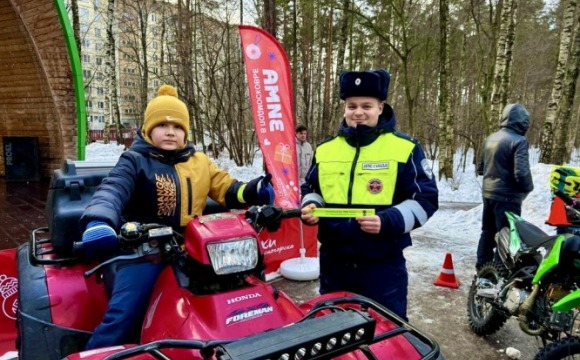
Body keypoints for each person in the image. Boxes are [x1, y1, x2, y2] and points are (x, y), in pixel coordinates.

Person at [79, 84, 274, 349]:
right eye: (162, 125)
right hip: (143, 252)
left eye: (178, 127)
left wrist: (255, 189)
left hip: (191, 251)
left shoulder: (200, 162)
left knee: (238, 295)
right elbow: (112, 190)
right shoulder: (134, 160)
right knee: (124, 316)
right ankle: (97, 352)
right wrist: (99, 221)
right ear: (148, 129)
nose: (171, 132)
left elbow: (228, 189)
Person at [300, 69, 438, 320]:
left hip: (383, 266)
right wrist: (311, 205)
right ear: (344, 108)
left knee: (388, 335)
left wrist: (389, 220)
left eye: (367, 105)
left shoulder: (405, 148)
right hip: (334, 264)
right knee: (333, 332)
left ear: (381, 107)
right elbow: (311, 188)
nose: (359, 112)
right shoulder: (326, 149)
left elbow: (425, 198)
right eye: (352, 106)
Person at [475, 103, 533, 270]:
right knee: (507, 234)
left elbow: (480, 168)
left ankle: (482, 268)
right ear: (522, 122)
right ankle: (500, 271)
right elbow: (521, 173)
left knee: (487, 232)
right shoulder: (519, 141)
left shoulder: (490, 138)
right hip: (508, 197)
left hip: (488, 193)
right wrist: (527, 188)